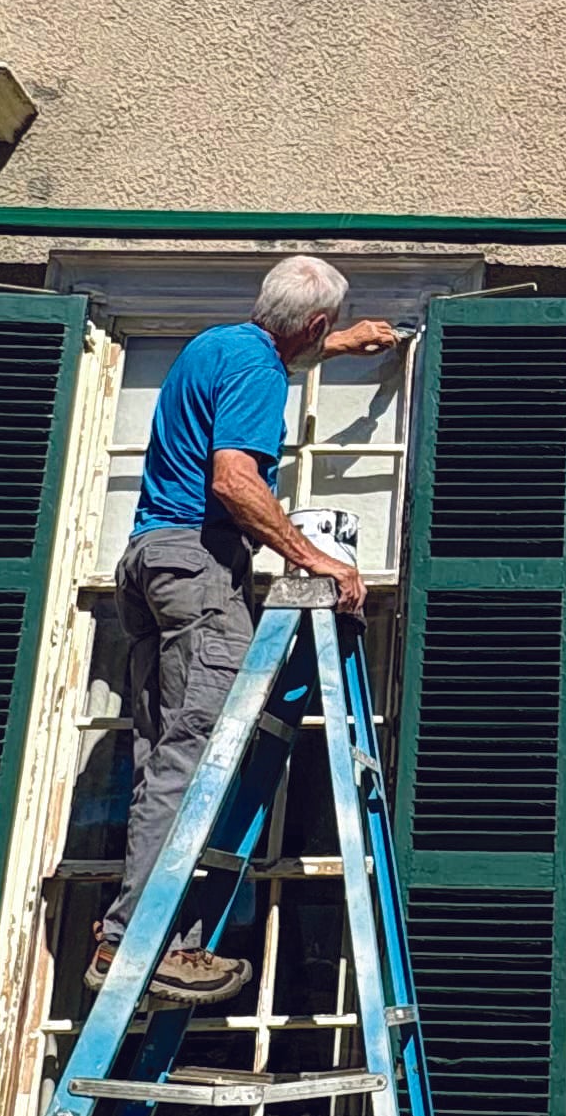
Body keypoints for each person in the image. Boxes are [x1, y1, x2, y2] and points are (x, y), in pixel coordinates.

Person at [90, 255, 404, 1006]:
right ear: (316, 322)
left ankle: (147, 936)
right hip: (197, 567)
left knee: (166, 756)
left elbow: (268, 358)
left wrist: (340, 343)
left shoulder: (217, 345)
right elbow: (234, 480)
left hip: (148, 559)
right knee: (196, 759)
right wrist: (313, 557)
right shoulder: (261, 372)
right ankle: (140, 942)